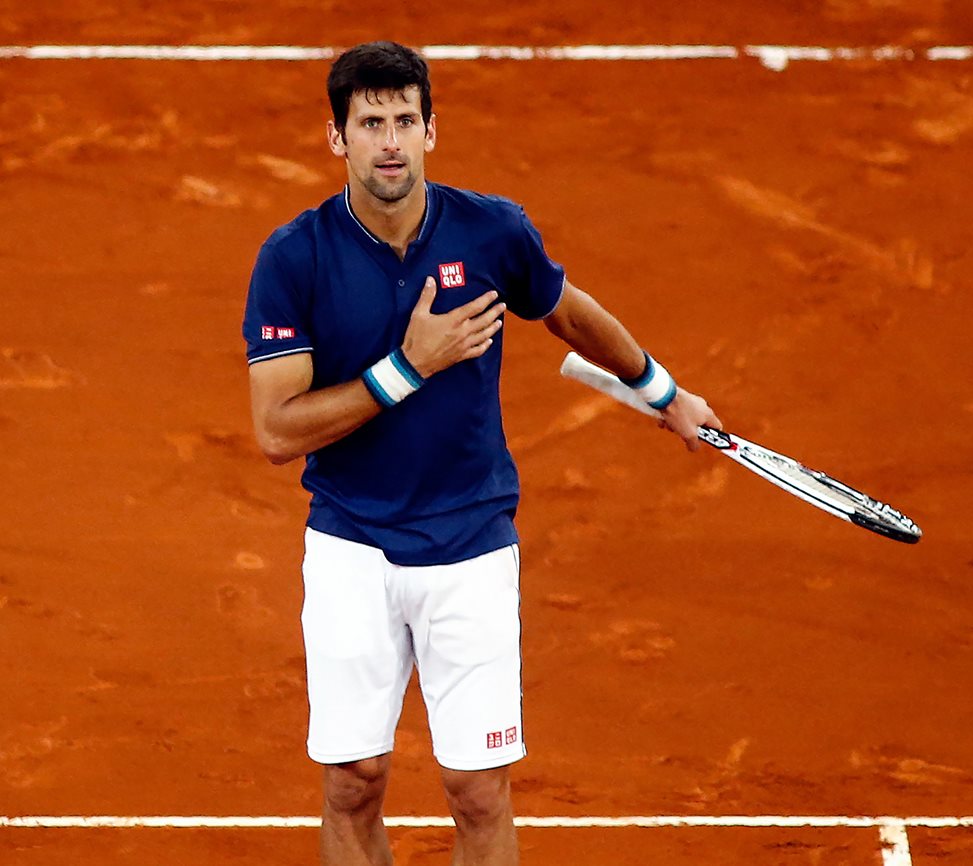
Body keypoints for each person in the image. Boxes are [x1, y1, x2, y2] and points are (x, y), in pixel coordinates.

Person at [242, 41, 721, 866]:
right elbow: (277, 431)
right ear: (337, 138)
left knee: (479, 791)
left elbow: (568, 312)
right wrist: (407, 369)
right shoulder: (293, 259)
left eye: (405, 121)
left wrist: (662, 391)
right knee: (352, 782)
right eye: (370, 124)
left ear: (431, 130)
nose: (390, 142)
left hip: (471, 544)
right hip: (352, 546)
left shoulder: (493, 231)